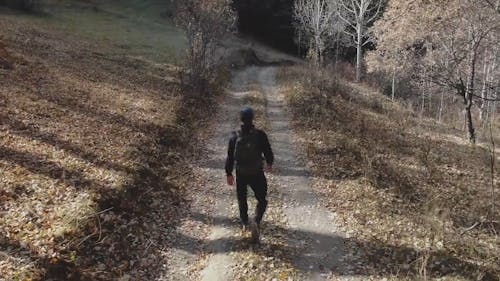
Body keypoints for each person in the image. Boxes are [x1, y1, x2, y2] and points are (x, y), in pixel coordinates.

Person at [225, 107, 274, 243]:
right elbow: (268, 151)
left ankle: (245, 223)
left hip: (241, 173)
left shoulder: (234, 136)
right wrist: (269, 164)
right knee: (262, 199)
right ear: (252, 119)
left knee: (242, 199)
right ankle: (256, 221)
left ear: (240, 119)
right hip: (257, 172)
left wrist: (229, 173)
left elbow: (230, 157)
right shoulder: (260, 134)